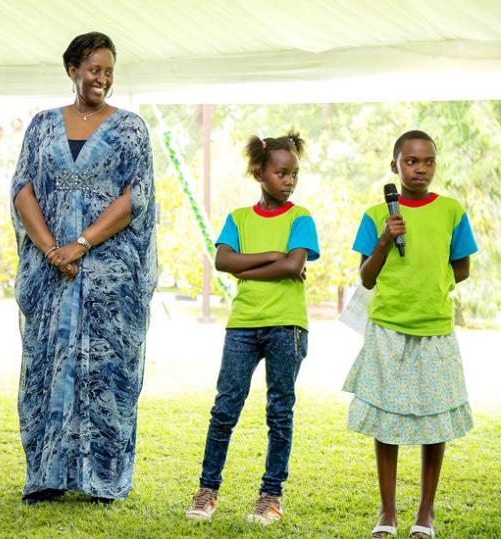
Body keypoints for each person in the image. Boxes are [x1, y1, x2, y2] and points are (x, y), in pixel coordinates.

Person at [10, 31, 157, 505]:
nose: (103, 78)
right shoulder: (42, 125)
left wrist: (81, 243)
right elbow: (23, 189)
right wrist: (54, 249)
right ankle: (47, 475)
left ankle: (103, 479)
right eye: (94, 69)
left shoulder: (131, 128)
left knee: (106, 371)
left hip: (109, 276)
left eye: (109, 71)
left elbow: (137, 196)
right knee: (48, 366)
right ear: (73, 70)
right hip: (51, 274)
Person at [343, 130, 477, 539]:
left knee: (432, 420)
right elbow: (366, 278)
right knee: (388, 421)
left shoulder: (452, 211)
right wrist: (386, 237)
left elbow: (461, 268)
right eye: (412, 161)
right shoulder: (374, 215)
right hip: (388, 329)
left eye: (428, 161)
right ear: (395, 166)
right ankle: (387, 513)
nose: (421, 169)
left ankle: (426, 512)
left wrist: (429, 288)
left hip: (434, 329)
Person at [185, 132, 320, 524]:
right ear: (260, 173)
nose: (290, 181)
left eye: (294, 174)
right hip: (243, 325)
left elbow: (293, 267)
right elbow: (223, 261)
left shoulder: (301, 217)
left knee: (279, 412)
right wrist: (274, 255)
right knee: (225, 408)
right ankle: (207, 491)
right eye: (282, 173)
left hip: (287, 327)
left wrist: (254, 263)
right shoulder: (239, 218)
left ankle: (270, 496)